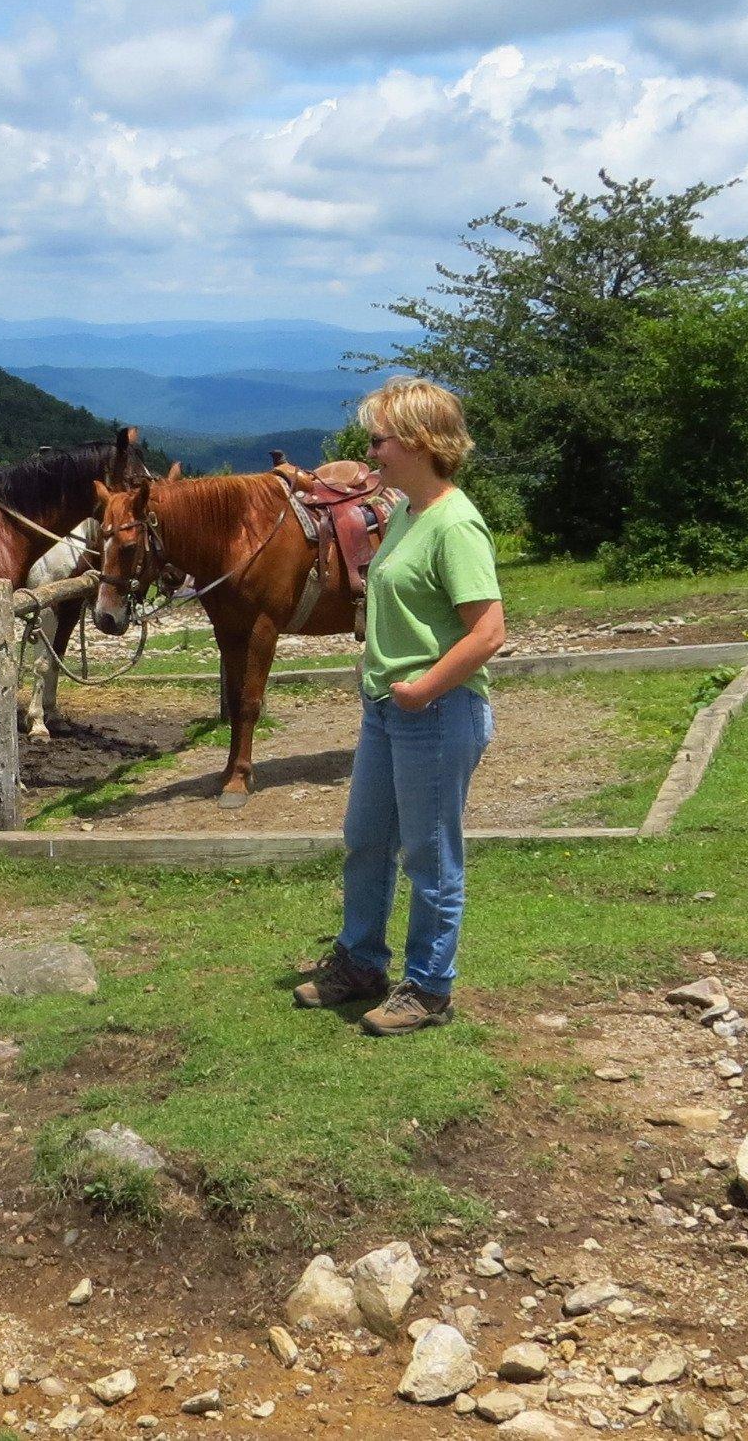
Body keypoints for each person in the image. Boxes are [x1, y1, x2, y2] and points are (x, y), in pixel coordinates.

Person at [293, 377, 505, 1035]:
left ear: (416, 443)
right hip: (389, 708)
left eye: (378, 439)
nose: (371, 451)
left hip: (434, 713)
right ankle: (360, 963)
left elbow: (489, 631)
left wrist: (423, 687)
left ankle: (429, 988)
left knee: (430, 855)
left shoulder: (455, 523)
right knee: (366, 840)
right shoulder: (411, 511)